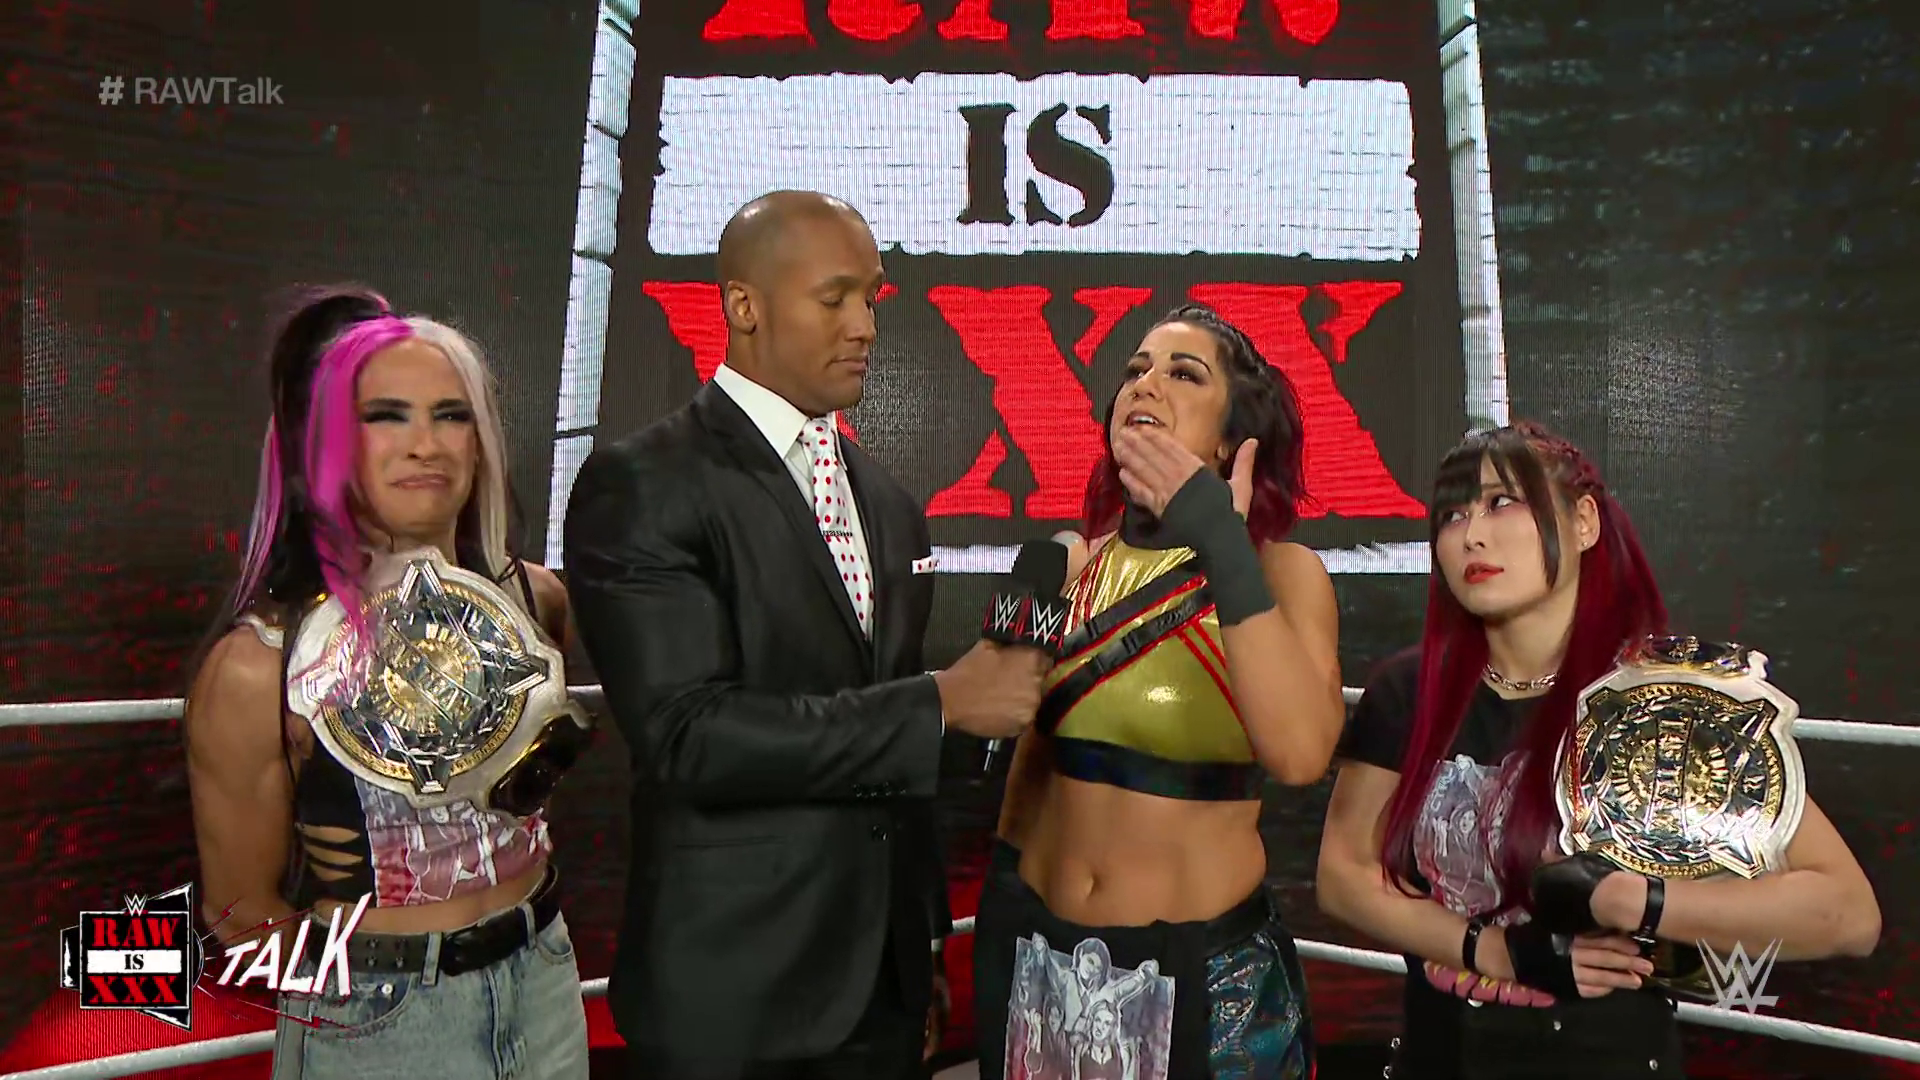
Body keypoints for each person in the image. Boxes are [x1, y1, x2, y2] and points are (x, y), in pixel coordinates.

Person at [563, 190, 1046, 1080]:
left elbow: (893, 762)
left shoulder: (889, 506)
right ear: (744, 305)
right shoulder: (643, 483)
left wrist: (921, 948)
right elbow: (689, 736)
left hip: (882, 995)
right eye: (834, 298)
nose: (864, 325)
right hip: (734, 996)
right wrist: (939, 703)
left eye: (872, 297)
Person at [1316, 421, 1883, 1078]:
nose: (1472, 534)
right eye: (1452, 515)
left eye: (1502, 502)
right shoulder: (1409, 691)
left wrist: (1632, 900)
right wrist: (1492, 950)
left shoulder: (1661, 705)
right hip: (1442, 1054)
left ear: (1583, 522)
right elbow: (1344, 877)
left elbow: (1848, 914)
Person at [185, 286, 592, 1079]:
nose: (425, 444)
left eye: (451, 414)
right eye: (387, 416)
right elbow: (238, 911)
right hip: (380, 1019)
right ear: (328, 446)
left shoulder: (535, 600)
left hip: (544, 977)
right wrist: (370, 1001)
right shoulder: (257, 668)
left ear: (481, 441)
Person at [972, 304, 1345, 1080]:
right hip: (1045, 974)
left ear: (1231, 439)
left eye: (1184, 374)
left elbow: (1302, 754)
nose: (1145, 385)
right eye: (1136, 370)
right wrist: (999, 922)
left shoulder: (1282, 573)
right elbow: (1017, 755)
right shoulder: (1061, 563)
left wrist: (1220, 541)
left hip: (1202, 985)